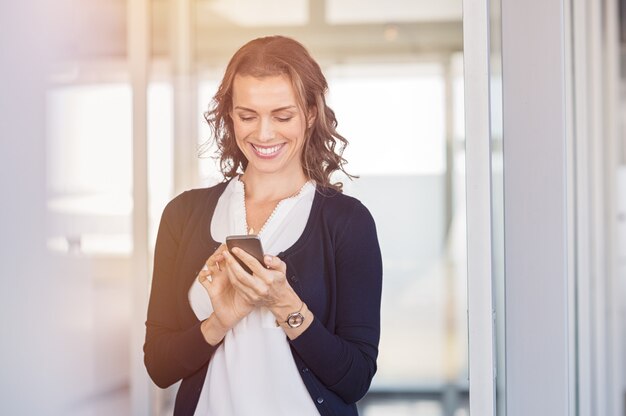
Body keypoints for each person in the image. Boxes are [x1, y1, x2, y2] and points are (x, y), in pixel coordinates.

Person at [143, 35, 383, 416]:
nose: (264, 134)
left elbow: (355, 378)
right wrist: (220, 320)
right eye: (247, 115)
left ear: (309, 113)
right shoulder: (183, 215)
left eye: (282, 116)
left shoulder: (347, 222)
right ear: (229, 115)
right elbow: (159, 365)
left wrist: (285, 303)